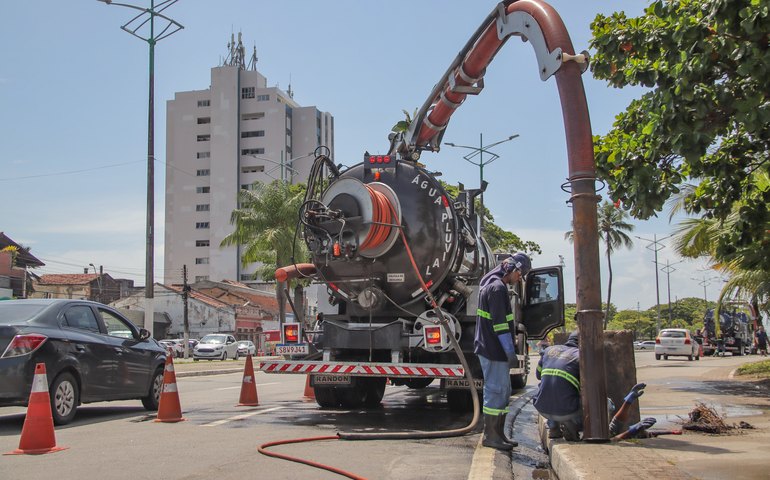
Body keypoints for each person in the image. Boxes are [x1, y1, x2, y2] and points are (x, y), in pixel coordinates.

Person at [474, 252, 532, 451]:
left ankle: (499, 434)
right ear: (513, 269)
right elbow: (500, 326)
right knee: (496, 391)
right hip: (493, 349)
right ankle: (491, 436)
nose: (519, 279)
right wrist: (509, 352)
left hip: (493, 348)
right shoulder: (497, 288)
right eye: (520, 274)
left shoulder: (495, 285)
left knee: (504, 391)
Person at [533, 331, 582, 441]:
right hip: (566, 410)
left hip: (542, 407)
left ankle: (554, 427)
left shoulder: (549, 350)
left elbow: (538, 375)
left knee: (549, 385)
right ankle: (571, 423)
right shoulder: (581, 355)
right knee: (604, 403)